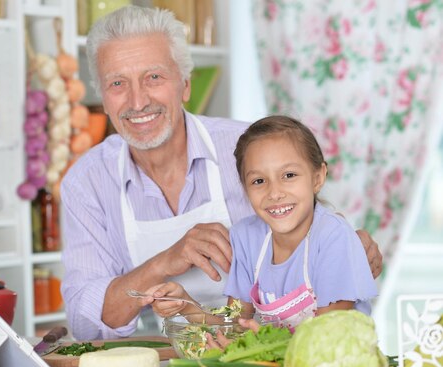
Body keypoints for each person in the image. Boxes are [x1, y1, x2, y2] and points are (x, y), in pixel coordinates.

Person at [60, 5, 383, 340]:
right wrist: (164, 264)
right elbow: (85, 325)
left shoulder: (251, 151)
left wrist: (350, 247)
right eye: (117, 83)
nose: (137, 101)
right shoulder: (87, 183)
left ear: (185, 85)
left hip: (275, 364)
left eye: (153, 77)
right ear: (102, 97)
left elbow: (316, 231)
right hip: (172, 363)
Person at [150, 116, 379, 335]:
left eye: (289, 175)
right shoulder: (247, 238)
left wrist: (262, 344)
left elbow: (327, 333)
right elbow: (234, 328)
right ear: (245, 188)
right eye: (259, 181)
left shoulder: (333, 236)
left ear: (318, 178)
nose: (275, 192)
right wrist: (186, 305)